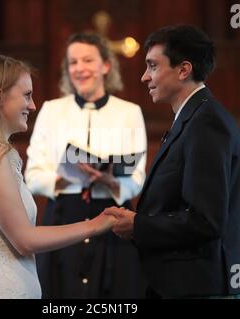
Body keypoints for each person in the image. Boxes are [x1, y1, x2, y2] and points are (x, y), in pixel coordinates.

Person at [0, 54, 117, 299]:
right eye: (27, 95)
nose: (32, 105)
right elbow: (25, 240)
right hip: (0, 288)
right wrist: (95, 225)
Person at [104, 25, 240, 298]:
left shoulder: (206, 123)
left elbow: (206, 220)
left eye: (152, 66)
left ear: (184, 70)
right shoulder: (192, 118)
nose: (144, 77)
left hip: (200, 287)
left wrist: (138, 225)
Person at [25, 32, 148, 298]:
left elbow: (137, 177)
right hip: (63, 216)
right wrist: (69, 177)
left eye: (87, 60)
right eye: (73, 62)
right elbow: (32, 174)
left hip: (113, 217)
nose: (79, 68)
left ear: (105, 65)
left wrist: (108, 179)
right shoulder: (51, 110)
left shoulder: (129, 112)